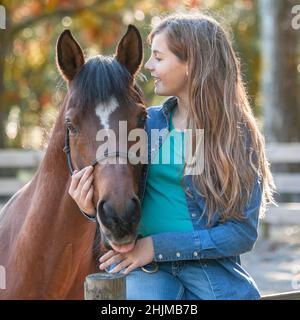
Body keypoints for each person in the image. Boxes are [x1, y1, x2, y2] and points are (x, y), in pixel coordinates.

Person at [69, 12, 276, 300]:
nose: (149, 66)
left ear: (191, 63)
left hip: (209, 271)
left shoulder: (236, 138)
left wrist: (157, 246)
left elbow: (241, 233)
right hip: (147, 269)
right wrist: (90, 208)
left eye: (159, 57)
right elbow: (119, 199)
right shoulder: (146, 125)